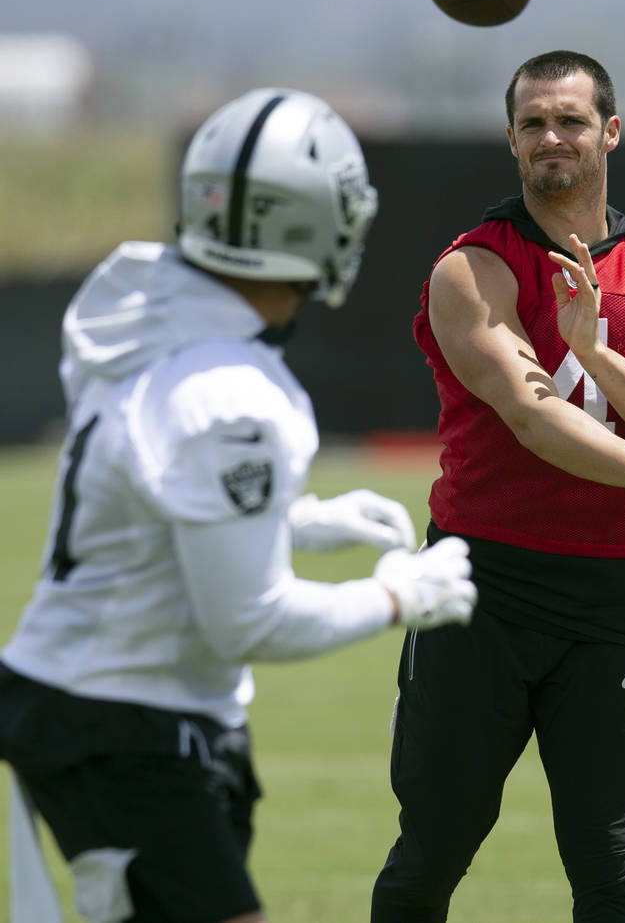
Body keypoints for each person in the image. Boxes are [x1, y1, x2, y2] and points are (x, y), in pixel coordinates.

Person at [0, 88, 477, 923]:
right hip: (121, 721)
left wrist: (300, 521)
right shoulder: (233, 394)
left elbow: (153, 497)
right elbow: (250, 622)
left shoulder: (146, 316)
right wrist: (404, 594)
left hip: (102, 703)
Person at [370, 50, 625, 923]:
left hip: (614, 600)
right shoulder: (474, 268)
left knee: (607, 867)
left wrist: (601, 351)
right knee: (435, 845)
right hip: (480, 590)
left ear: (608, 131)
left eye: (568, 120)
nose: (549, 138)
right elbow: (531, 415)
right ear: (510, 141)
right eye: (531, 124)